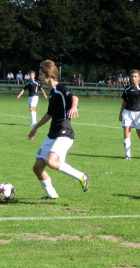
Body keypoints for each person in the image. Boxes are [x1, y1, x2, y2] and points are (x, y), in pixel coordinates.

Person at [28, 59, 90, 199]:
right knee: (37, 168)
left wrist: (74, 106)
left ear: (48, 75)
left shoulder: (60, 88)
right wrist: (35, 128)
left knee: (51, 162)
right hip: (52, 134)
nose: (38, 77)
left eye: (40, 74)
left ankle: (82, 176)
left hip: (64, 133)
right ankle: (51, 195)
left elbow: (74, 97)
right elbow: (49, 114)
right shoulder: (51, 93)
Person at [119, 69, 140, 159]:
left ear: (139, 77)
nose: (133, 78)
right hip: (127, 112)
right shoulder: (127, 88)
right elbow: (124, 101)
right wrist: (120, 113)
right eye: (132, 76)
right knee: (126, 132)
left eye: (135, 76)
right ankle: (128, 155)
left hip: (138, 113)